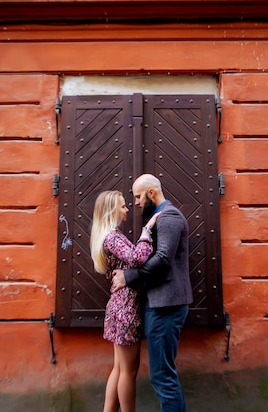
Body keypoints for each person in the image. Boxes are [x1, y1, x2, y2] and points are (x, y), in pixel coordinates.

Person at [112, 174, 193, 412]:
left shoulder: (169, 217)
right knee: (162, 375)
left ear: (150, 193)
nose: (135, 202)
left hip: (166, 307)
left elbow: (163, 259)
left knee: (162, 377)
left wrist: (129, 277)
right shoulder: (162, 217)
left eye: (137, 196)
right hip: (160, 305)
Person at [90, 190, 159, 412]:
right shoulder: (113, 237)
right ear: (112, 211)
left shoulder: (108, 236)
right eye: (122, 206)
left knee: (119, 369)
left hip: (119, 306)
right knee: (128, 370)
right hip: (126, 308)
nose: (127, 209)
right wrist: (147, 231)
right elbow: (137, 258)